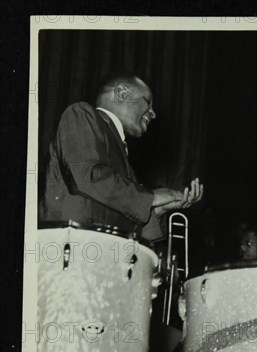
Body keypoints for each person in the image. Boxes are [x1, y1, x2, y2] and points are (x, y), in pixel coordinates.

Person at [39, 72, 202, 241]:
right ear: (122, 93)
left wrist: (155, 210)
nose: (153, 113)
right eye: (148, 102)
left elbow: (122, 222)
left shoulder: (122, 160)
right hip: (70, 250)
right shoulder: (81, 113)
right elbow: (86, 176)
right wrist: (151, 197)